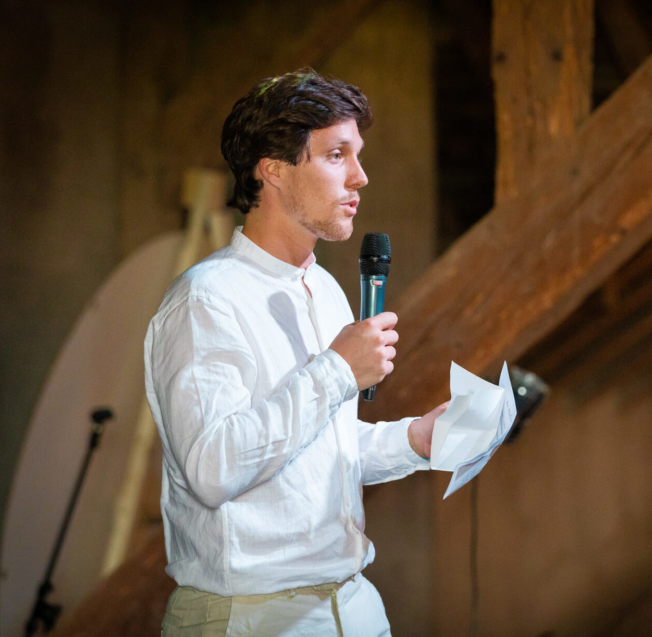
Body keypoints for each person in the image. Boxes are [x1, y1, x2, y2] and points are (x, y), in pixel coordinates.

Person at [144, 69, 447, 637]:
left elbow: (315, 450)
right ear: (274, 170)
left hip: (352, 605)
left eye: (357, 155)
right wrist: (335, 370)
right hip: (254, 617)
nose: (360, 177)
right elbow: (214, 469)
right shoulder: (206, 299)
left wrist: (415, 441)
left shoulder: (326, 291)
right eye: (337, 155)